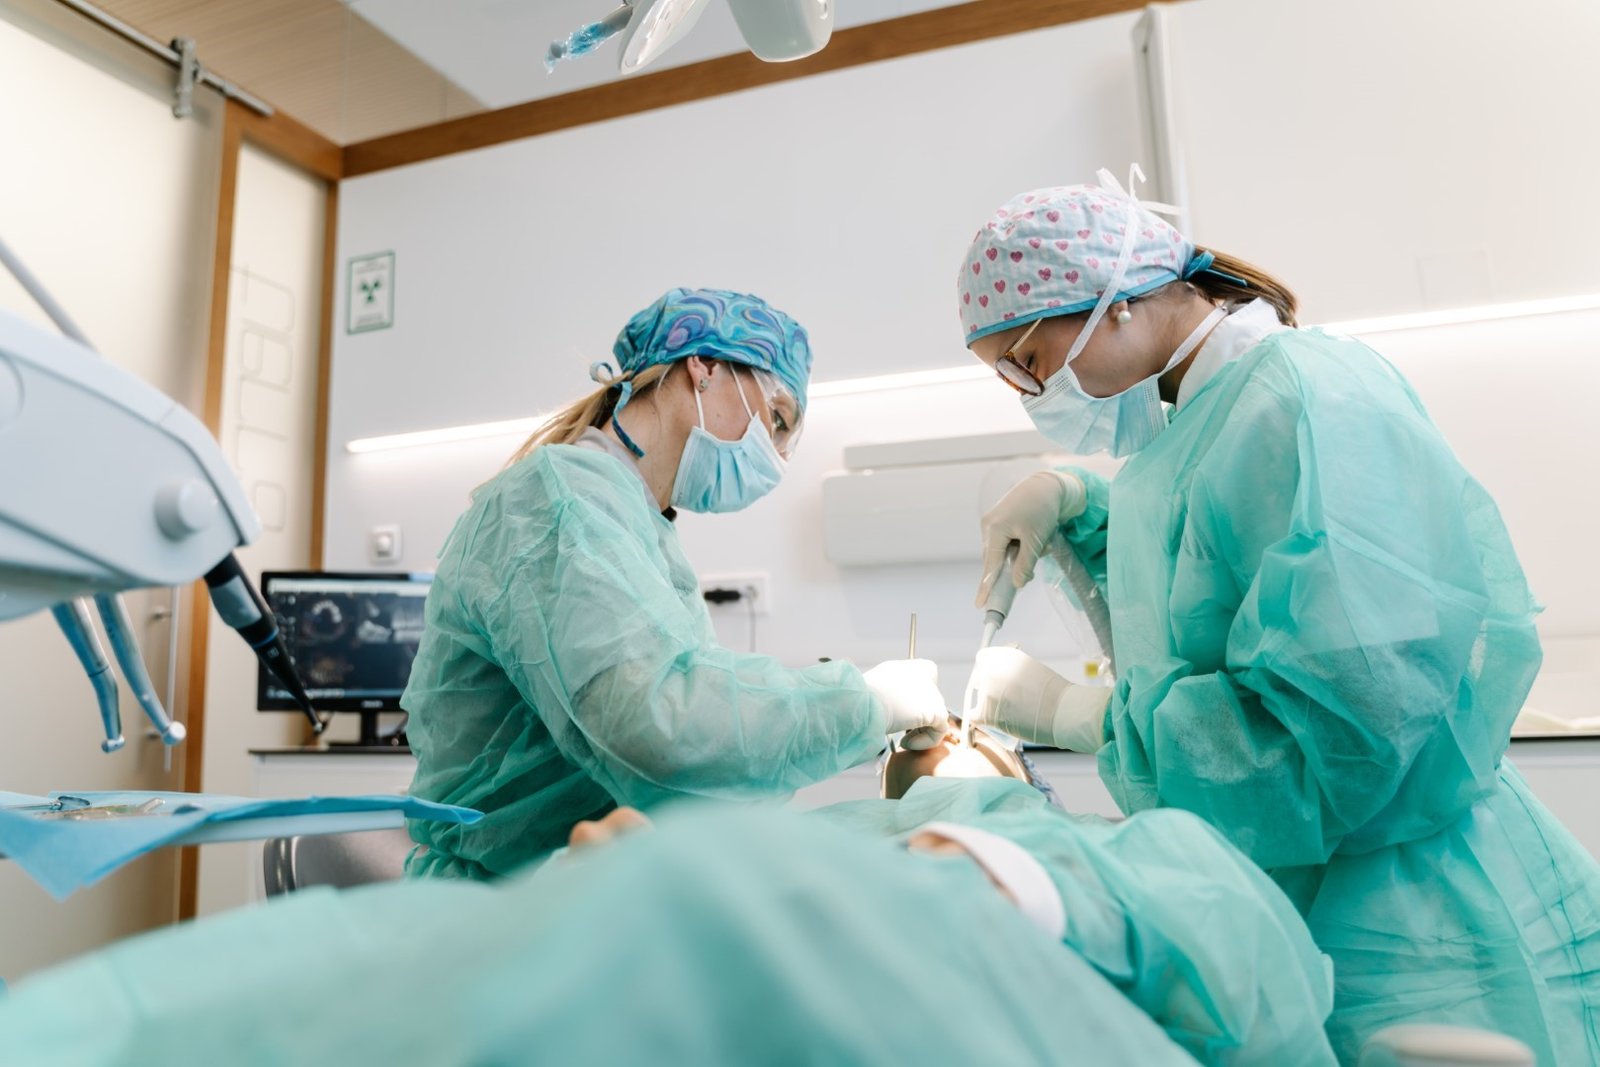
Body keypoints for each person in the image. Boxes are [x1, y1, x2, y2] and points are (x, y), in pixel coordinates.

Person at [953, 172, 1600, 1059]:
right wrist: (1079, 505)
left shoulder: (1307, 399)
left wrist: (1082, 715)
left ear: (1115, 299)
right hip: (1306, 892)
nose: (1032, 393)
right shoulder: (1198, 424)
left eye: (1028, 360)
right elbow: (1201, 594)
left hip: (1418, 918)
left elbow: (1346, 729)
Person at [0, 784, 1337, 1067]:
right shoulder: (569, 513)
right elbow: (657, 707)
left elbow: (1245, 953)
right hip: (586, 908)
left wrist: (970, 864)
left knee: (719, 901)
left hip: (693, 912)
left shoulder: (1135, 864)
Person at [402, 287, 946, 880]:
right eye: (777, 419)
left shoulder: (634, 523)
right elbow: (660, 725)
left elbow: (694, 756)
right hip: (512, 896)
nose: (778, 456)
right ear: (704, 366)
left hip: (586, 876)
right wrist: (866, 704)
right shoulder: (561, 502)